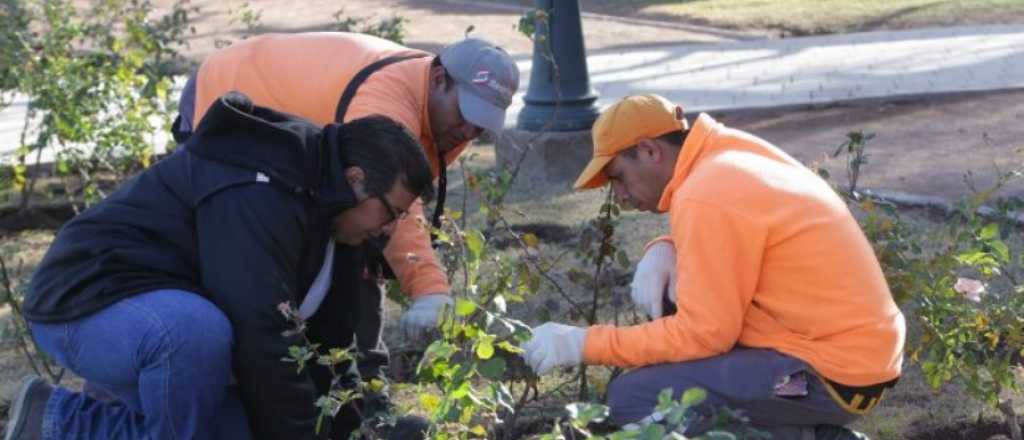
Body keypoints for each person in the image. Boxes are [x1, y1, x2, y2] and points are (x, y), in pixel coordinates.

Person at [5, 92, 435, 440]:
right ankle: (69, 416)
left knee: (241, 429)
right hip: (85, 299)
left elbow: (328, 353)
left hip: (154, 323)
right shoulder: (264, 188)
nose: (391, 229)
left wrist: (350, 432)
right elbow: (260, 332)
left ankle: (54, 422)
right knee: (196, 332)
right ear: (356, 179)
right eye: (390, 212)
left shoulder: (338, 219)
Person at [521, 94, 906, 439]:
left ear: (649, 150)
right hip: (853, 358)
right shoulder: (726, 154)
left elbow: (704, 336)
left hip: (827, 378)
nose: (619, 196)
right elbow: (746, 226)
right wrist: (665, 246)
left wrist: (583, 343)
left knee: (635, 397)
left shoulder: (707, 194)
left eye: (618, 177)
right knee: (658, 346)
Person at [172, 33, 521, 369]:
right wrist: (428, 289)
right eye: (465, 115)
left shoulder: (445, 120)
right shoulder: (387, 100)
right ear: (440, 78)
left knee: (357, 243)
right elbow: (395, 208)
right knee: (250, 258)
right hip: (228, 90)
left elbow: (383, 217)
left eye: (481, 125)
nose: (469, 133)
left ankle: (357, 382)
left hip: (298, 134)